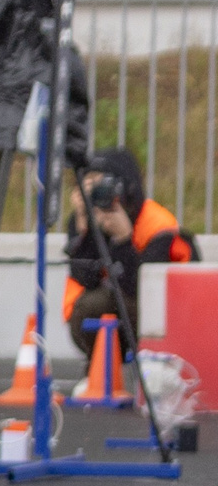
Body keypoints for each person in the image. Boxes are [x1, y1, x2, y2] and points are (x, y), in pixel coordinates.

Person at [64, 146, 200, 360]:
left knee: (102, 302)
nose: (100, 195)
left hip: (172, 313)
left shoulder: (158, 225)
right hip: (116, 311)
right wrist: (85, 231)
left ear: (126, 187)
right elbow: (83, 279)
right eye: (91, 187)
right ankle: (101, 371)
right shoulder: (86, 220)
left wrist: (123, 239)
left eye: (105, 186)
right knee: (91, 305)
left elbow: (142, 290)